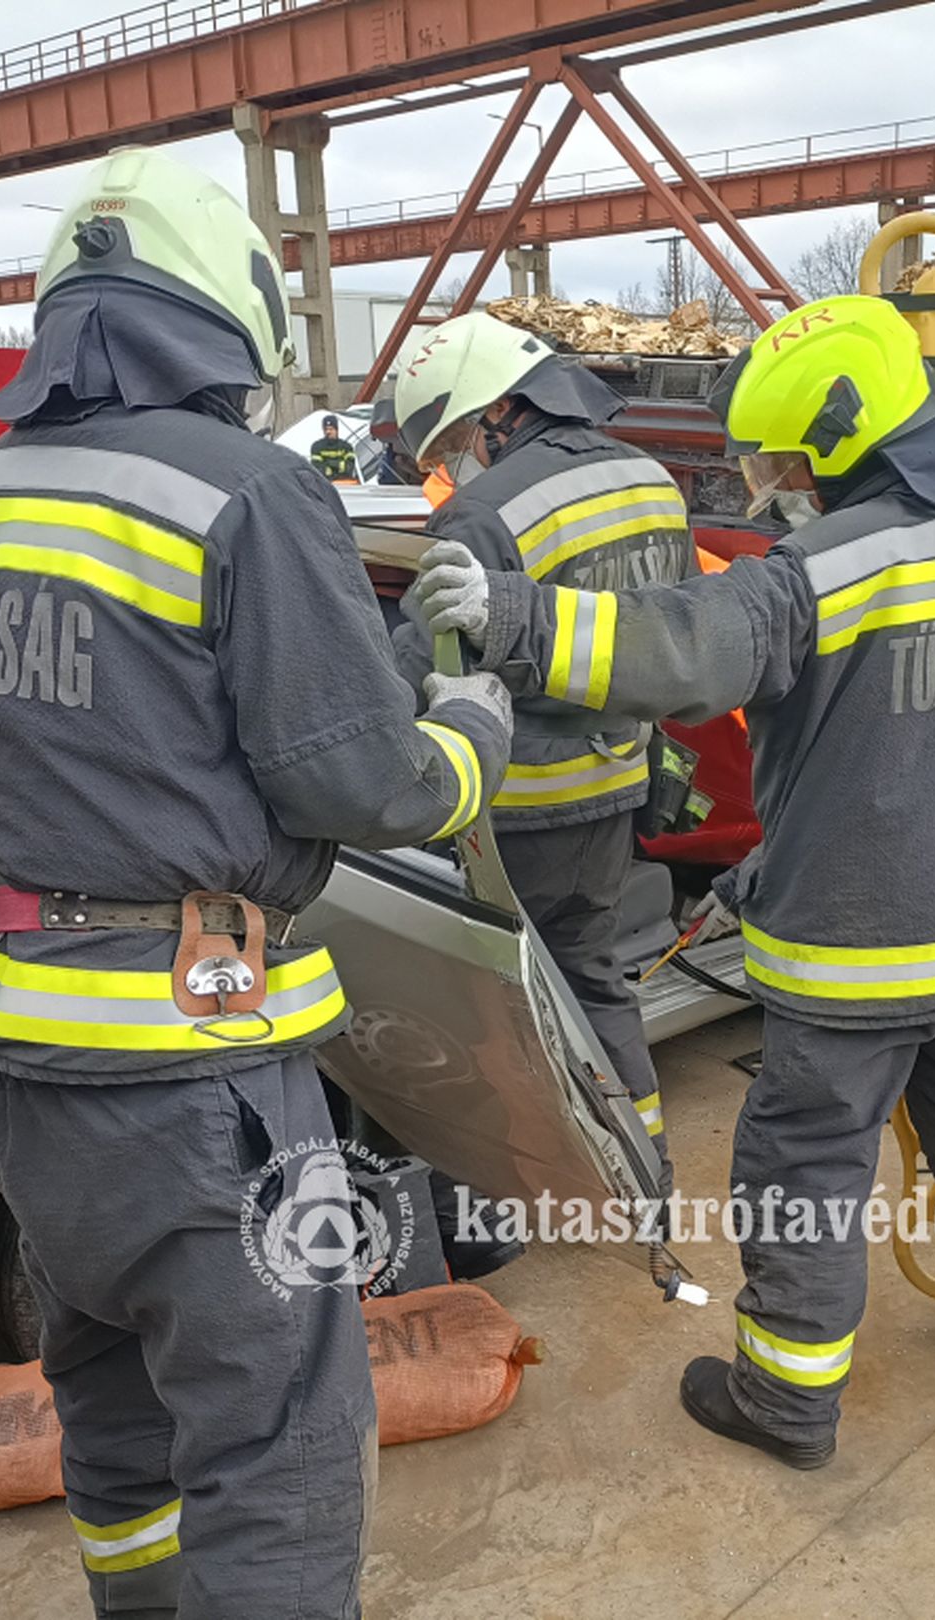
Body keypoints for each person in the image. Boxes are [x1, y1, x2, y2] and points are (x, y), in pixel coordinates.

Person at [407, 294, 935, 1467]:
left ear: (840, 440)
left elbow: (668, 649)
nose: (771, 487)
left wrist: (509, 614)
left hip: (861, 950)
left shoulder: (822, 569)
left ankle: (787, 1396)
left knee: (802, 1165)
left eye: (779, 462)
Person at [0, 146, 511, 1618]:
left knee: (117, 1411)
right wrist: (472, 734)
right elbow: (356, 785)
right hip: (199, 1075)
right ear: (225, 317)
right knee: (280, 1453)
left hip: (17, 1060)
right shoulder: (246, 489)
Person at [389, 310, 695, 1175]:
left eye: (453, 438)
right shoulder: (652, 479)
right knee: (593, 979)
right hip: (617, 786)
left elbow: (413, 667)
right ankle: (643, 1166)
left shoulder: (487, 513)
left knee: (492, 1011)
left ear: (499, 411)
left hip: (516, 809)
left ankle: (513, 1180)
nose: (453, 464)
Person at [310, 414, 359, 481]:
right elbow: (318, 469)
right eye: (326, 429)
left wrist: (328, 465)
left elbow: (349, 468)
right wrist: (339, 465)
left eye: (331, 429)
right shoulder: (317, 447)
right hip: (325, 484)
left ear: (336, 430)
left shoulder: (346, 447)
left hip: (345, 484)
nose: (328, 432)